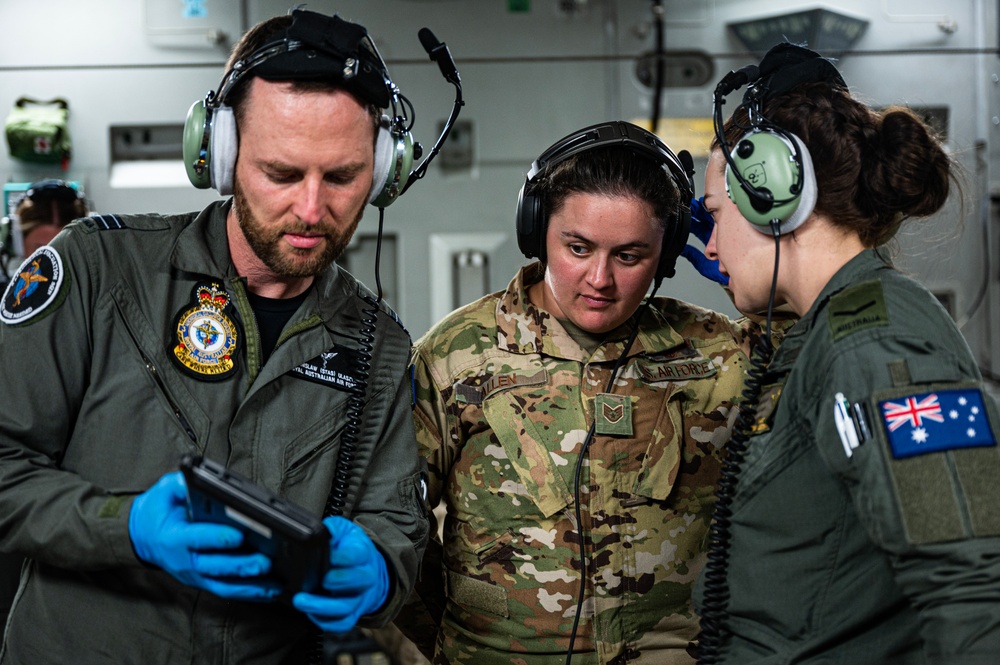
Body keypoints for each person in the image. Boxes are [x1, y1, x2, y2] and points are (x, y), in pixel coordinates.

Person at [0, 9, 428, 664]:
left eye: (342, 177)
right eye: (282, 174)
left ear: (386, 169)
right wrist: (126, 528)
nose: (313, 210)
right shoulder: (97, 271)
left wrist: (377, 573)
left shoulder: (380, 344)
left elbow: (396, 527)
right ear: (221, 157)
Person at [397, 121, 777, 664]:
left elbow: (823, 351)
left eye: (629, 256)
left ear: (666, 253)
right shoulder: (458, 355)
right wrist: (456, 638)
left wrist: (753, 264)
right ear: (536, 231)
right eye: (577, 247)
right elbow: (393, 523)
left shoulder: (718, 355)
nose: (599, 278)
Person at [693, 42, 1000, 663]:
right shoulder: (831, 328)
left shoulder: (876, 341)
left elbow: (968, 582)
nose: (710, 240)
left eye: (716, 211)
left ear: (769, 200)